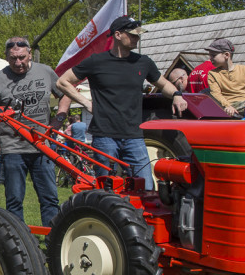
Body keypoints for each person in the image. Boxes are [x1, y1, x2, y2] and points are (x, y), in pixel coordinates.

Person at [57, 16, 187, 191]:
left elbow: (163, 84)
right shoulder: (97, 61)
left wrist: (177, 95)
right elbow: (63, 81)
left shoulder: (144, 62)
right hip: (105, 136)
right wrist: (86, 103)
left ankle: (142, 217)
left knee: (146, 188)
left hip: (135, 136)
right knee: (106, 189)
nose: (137, 38)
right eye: (132, 35)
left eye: (138, 35)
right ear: (118, 35)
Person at [0, 37, 71, 225]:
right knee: (14, 200)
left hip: (42, 146)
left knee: (50, 198)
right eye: (13, 58)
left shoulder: (45, 71)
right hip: (13, 148)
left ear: (29, 54)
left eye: (22, 57)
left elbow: (65, 94)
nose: (18, 63)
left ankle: (52, 239)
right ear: (7, 57)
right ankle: (20, 242)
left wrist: (59, 118)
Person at [205, 38, 245, 116]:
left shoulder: (244, 69)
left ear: (226, 55)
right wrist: (227, 105)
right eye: (210, 55)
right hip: (231, 104)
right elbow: (216, 94)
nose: (210, 58)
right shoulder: (213, 74)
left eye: (213, 55)